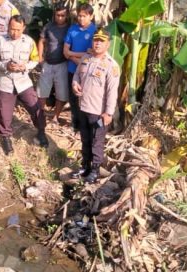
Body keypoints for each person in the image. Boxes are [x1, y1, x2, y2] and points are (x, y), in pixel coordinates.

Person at [0, 16, 48, 155]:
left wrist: (25, 67)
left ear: (23, 28)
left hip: (23, 82)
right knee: (4, 113)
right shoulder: (0, 41)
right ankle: (6, 137)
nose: (14, 32)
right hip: (5, 82)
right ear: (8, 27)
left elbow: (35, 59)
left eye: (18, 30)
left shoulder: (28, 42)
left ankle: (41, 132)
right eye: (12, 29)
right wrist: (5, 66)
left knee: (36, 108)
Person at [72, 27, 120, 184]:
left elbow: (113, 92)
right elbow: (77, 74)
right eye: (95, 40)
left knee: (96, 142)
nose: (97, 43)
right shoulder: (86, 57)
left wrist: (108, 113)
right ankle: (85, 166)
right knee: (85, 139)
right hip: (83, 107)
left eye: (101, 41)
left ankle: (95, 170)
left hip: (98, 112)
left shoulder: (111, 66)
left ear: (108, 44)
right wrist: (75, 84)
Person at [64, 3, 96, 131]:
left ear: (91, 16)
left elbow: (92, 52)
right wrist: (73, 56)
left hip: (87, 72)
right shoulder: (72, 29)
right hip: (72, 69)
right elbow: (65, 51)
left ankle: (85, 125)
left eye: (84, 16)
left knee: (85, 98)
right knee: (73, 97)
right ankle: (75, 123)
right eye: (79, 16)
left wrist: (71, 54)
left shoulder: (95, 31)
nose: (81, 19)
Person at [36, 5, 70, 126]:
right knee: (41, 91)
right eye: (58, 15)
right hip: (48, 64)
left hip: (62, 64)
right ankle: (40, 115)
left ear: (67, 16)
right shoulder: (49, 26)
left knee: (62, 93)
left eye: (62, 15)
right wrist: (40, 58)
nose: (60, 18)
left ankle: (56, 117)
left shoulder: (69, 28)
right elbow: (41, 41)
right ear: (54, 14)